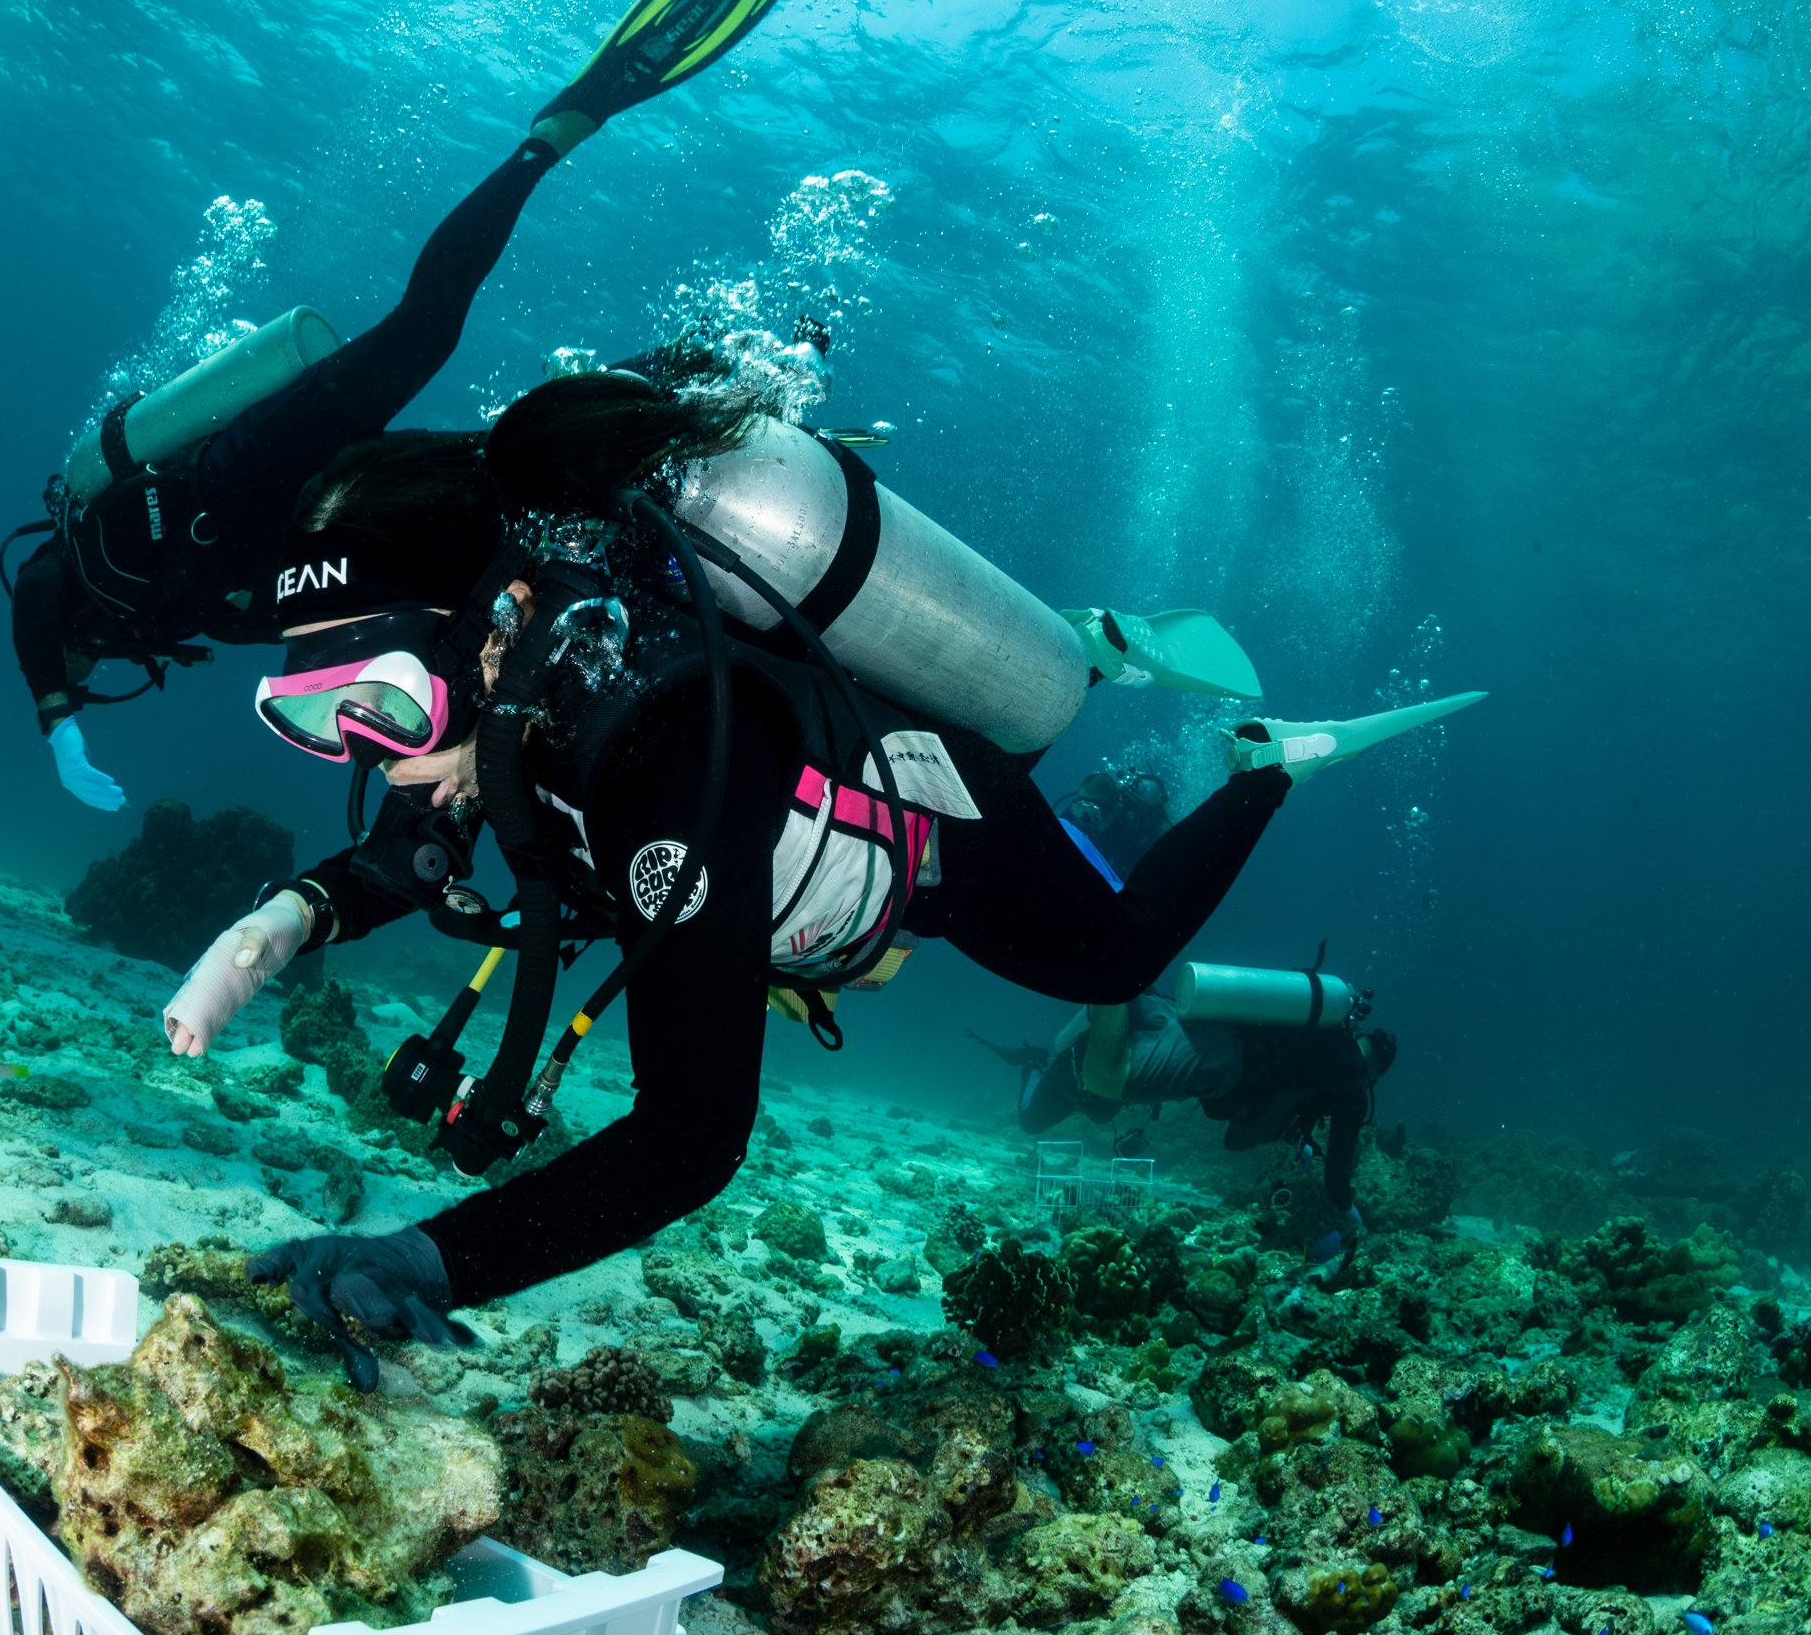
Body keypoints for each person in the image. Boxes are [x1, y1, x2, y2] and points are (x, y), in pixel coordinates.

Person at [158, 370, 1480, 1388]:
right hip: (792, 876)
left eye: (383, 698)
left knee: (1121, 962)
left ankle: (1263, 764)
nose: (372, 756)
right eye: (320, 715)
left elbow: (691, 1138)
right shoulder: (520, 717)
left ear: (500, 624)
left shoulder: (661, 752)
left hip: (939, 828)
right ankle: (1099, 666)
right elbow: (428, 838)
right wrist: (279, 920)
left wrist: (425, 1254)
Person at [8, 0, 786, 811]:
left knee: (423, 333)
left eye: (73, 676)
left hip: (243, 469)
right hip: (313, 519)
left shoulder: (61, 577)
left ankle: (555, 131)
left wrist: (55, 719)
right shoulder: (139, 626)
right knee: (510, 465)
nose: (83, 676)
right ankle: (702, 375)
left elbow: (31, 601)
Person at [995, 992, 1399, 1215]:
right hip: (1208, 1059)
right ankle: (1042, 1062)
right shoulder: (1352, 1087)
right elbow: (1332, 1174)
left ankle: (1106, 1005)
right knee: (1087, 1086)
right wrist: (1349, 1216)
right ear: (1376, 1074)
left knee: (1101, 1106)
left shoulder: (1321, 1030)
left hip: (1193, 1016)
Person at [1057, 765, 1172, 883]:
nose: (1083, 820)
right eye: (1079, 808)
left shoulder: (1131, 839)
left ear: (1114, 812)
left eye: (1095, 814)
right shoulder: (1072, 817)